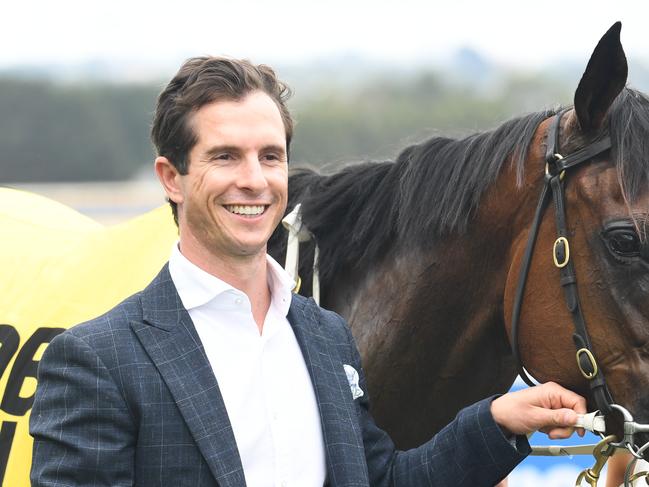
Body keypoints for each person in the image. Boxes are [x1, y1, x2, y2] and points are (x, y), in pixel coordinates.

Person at [30, 56, 587, 487]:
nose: (254, 180)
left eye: (270, 157)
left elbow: (382, 480)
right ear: (171, 178)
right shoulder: (95, 362)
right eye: (225, 156)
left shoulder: (324, 337)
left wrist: (497, 421)